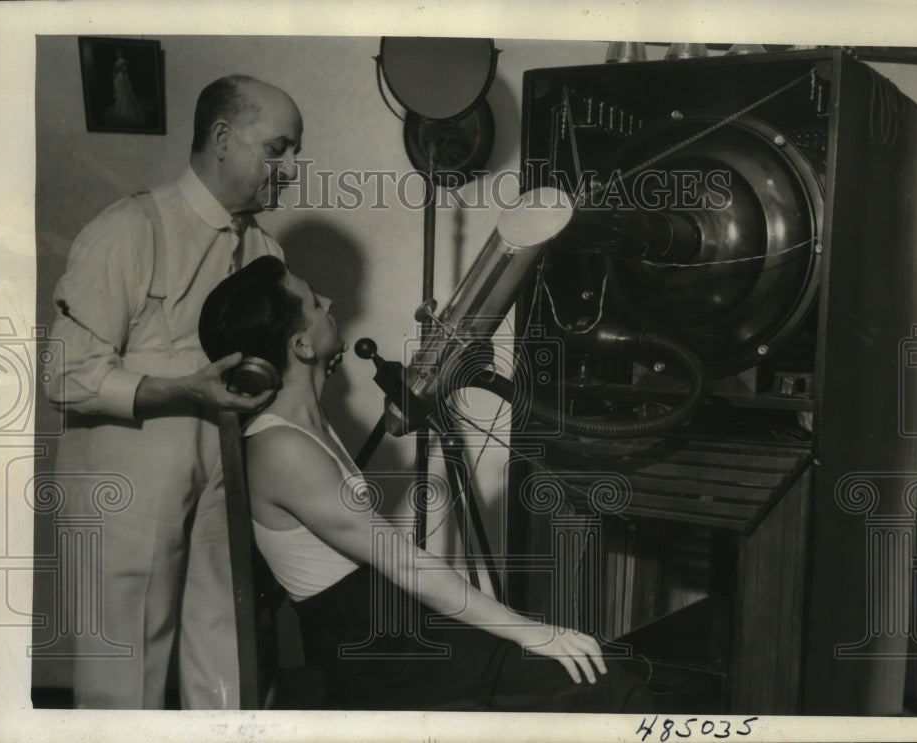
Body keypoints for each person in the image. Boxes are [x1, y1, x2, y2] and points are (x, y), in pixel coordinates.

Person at [197, 256, 659, 712]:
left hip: (401, 632)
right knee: (607, 689)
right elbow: (403, 563)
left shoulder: (305, 426)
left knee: (601, 671)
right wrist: (535, 632)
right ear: (301, 346)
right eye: (314, 302)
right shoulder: (283, 448)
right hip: (381, 662)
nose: (330, 301)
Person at [45, 75, 303, 709]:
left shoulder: (264, 251)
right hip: (125, 474)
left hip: (225, 468)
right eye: (278, 149)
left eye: (295, 152)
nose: (293, 169)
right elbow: (63, 374)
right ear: (222, 138)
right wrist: (184, 389)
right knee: (123, 674)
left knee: (227, 657)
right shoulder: (130, 228)